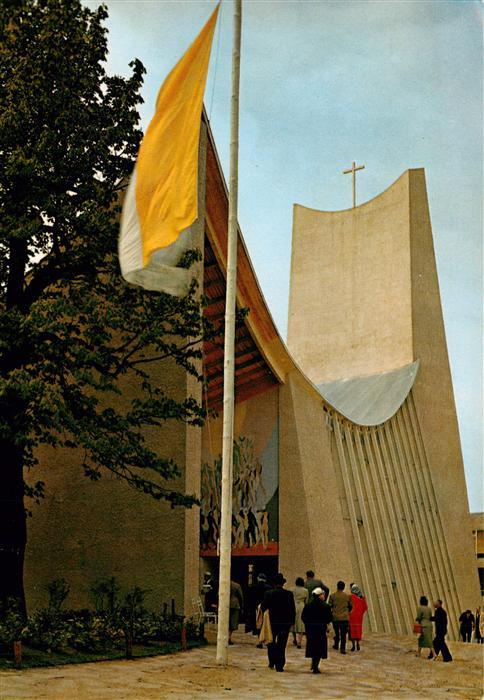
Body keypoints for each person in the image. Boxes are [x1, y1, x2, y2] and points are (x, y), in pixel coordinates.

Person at [261, 572, 296, 672]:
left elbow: (263, 607)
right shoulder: (289, 594)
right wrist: (292, 622)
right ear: (283, 583)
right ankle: (280, 665)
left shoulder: (269, 594)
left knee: (271, 642)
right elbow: (292, 609)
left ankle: (272, 661)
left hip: (272, 622)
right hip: (284, 623)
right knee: (282, 644)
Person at [302, 587, 332, 673]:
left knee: (312, 646)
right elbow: (329, 618)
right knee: (319, 647)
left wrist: (308, 624)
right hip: (321, 629)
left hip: (310, 629)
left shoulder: (308, 605)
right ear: (320, 595)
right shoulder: (325, 606)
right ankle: (316, 665)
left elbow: (303, 617)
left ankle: (313, 662)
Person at [246, 572, 271, 647]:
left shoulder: (254, 587)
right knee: (266, 623)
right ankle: (266, 639)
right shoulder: (268, 587)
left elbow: (251, 598)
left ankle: (259, 640)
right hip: (266, 608)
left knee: (258, 624)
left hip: (257, 607)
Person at [329, 580, 352, 654]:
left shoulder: (332, 596)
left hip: (335, 617)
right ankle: (343, 648)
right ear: (344, 587)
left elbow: (330, 605)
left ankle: (336, 644)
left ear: (337, 587)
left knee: (336, 632)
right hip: (344, 617)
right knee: (343, 634)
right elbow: (350, 606)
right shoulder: (347, 596)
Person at [348, 583, 368, 651]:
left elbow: (348, 606)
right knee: (358, 629)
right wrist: (360, 613)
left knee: (352, 630)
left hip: (352, 616)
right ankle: (358, 644)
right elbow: (365, 607)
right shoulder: (362, 598)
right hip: (359, 617)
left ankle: (353, 646)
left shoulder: (350, 597)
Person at [291, 577, 309, 648]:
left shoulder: (292, 589)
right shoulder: (306, 590)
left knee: (294, 622)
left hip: (294, 605)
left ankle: (294, 639)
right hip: (302, 606)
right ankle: (299, 642)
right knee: (301, 624)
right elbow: (306, 601)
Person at [228, 579, 243, 645]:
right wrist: (242, 605)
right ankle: (229, 637)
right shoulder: (237, 585)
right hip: (234, 605)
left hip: (226, 604)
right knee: (233, 622)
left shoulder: (224, 585)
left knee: (227, 622)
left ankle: (227, 637)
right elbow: (241, 596)